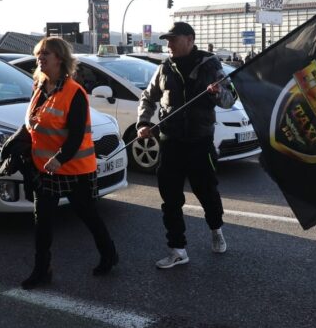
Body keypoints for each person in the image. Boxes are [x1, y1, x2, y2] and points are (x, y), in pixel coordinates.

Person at [20, 37, 118, 289]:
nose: (40, 58)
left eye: (46, 54)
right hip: (44, 167)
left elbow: (76, 135)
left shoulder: (75, 92)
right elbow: (34, 123)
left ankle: (109, 254)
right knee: (42, 221)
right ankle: (42, 270)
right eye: (39, 53)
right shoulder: (39, 86)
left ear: (60, 59)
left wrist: (60, 158)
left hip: (74, 167)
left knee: (87, 215)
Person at [137, 21, 235, 269]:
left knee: (208, 193)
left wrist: (215, 93)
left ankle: (216, 228)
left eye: (173, 39)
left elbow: (229, 100)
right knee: (170, 199)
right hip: (170, 143)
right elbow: (148, 97)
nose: (168, 44)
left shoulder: (211, 66)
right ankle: (177, 249)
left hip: (200, 143)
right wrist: (142, 123)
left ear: (190, 39)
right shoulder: (165, 68)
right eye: (167, 40)